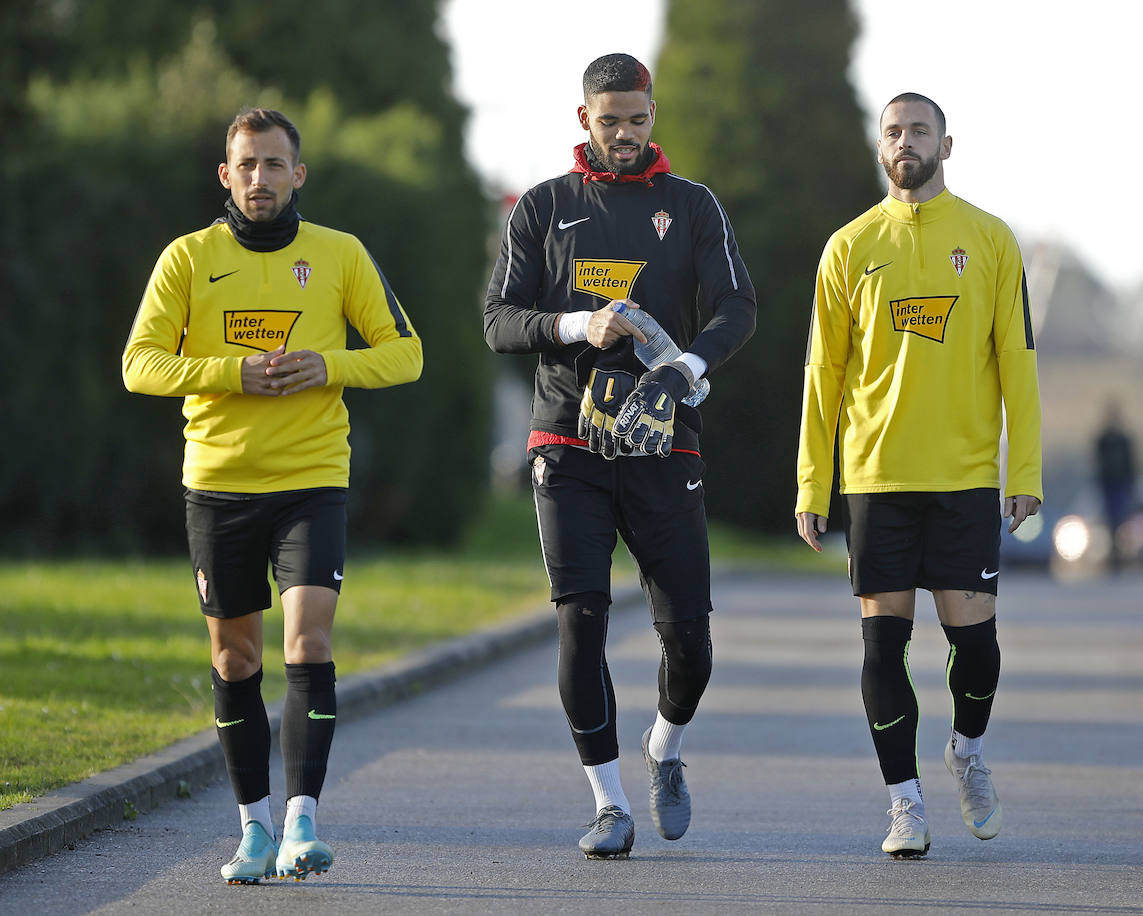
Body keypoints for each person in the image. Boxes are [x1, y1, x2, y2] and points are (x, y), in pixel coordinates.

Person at [122, 108, 423, 884]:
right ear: (226, 175)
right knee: (235, 655)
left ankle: (301, 822)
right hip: (218, 483)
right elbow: (140, 365)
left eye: (274, 165)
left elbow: (405, 354)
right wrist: (230, 372)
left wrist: (327, 365)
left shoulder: (339, 255)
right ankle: (253, 826)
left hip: (312, 481)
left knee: (308, 641)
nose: (260, 179)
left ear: (299, 175)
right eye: (246, 166)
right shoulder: (188, 259)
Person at [483, 53, 755, 859]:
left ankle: (663, 748)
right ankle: (608, 805)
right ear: (584, 122)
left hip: (663, 441)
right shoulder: (542, 207)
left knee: (692, 645)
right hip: (566, 441)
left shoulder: (692, 206)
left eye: (639, 120)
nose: (627, 135)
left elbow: (738, 307)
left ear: (653, 113)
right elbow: (500, 320)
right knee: (581, 619)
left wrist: (681, 369)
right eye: (611, 122)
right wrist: (577, 325)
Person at [794, 93, 1042, 858]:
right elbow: (823, 370)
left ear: (947, 144)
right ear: (880, 149)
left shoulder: (992, 239)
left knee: (977, 649)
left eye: (920, 131)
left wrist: (1022, 468)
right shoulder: (849, 246)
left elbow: (1018, 362)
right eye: (894, 132)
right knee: (881, 648)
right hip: (876, 477)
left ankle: (966, 752)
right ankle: (905, 806)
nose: (907, 142)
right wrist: (813, 481)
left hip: (965, 476)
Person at [1094, 399, 1137, 573]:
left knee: (1121, 520)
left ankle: (1120, 554)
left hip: (1120, 484)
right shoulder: (1104, 440)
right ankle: (1115, 555)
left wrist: (1131, 484)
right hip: (1109, 484)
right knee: (1112, 521)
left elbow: (1131, 463)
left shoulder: (1123, 440)